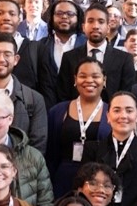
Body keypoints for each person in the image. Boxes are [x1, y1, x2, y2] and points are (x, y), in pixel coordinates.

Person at [46, 58, 111, 197]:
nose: (89, 80)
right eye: (83, 76)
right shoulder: (58, 111)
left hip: (98, 183)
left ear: (104, 80)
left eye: (95, 76)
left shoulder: (112, 112)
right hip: (62, 180)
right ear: (75, 80)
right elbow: (50, 154)